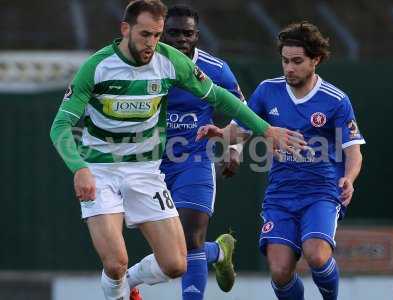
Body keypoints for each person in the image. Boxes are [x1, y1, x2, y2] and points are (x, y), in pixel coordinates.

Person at [49, 0, 306, 299]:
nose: (152, 43)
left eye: (157, 35)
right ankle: (119, 286)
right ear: (125, 29)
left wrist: (265, 129)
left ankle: (129, 282)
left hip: (146, 170)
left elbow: (222, 98)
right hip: (100, 171)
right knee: (116, 262)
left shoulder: (171, 61)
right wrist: (80, 168)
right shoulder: (97, 67)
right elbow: (60, 126)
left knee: (176, 263)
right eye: (146, 34)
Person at [197, 21, 365, 300]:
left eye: (297, 61)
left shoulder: (335, 100)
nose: (289, 68)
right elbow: (239, 131)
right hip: (281, 194)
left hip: (320, 191)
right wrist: (220, 134)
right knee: (279, 270)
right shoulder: (267, 91)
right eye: (285, 61)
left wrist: (349, 177)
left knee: (316, 256)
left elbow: (353, 151)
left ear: (316, 60)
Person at [156, 5, 242, 300]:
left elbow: (241, 111)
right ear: (161, 33)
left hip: (193, 160)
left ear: (197, 36)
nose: (181, 39)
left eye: (187, 33)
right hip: (150, 165)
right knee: (170, 251)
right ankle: (219, 251)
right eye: (174, 32)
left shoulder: (215, 69)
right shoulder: (146, 66)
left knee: (189, 237)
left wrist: (234, 147)